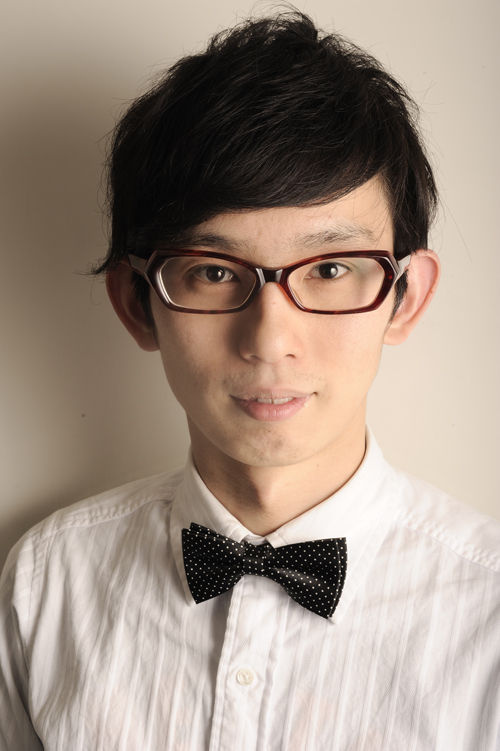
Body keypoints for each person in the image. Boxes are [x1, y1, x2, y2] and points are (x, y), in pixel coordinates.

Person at [0, 11, 498, 750]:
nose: (269, 340)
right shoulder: (45, 585)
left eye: (331, 268)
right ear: (136, 304)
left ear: (404, 298)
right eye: (212, 272)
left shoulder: (488, 613)